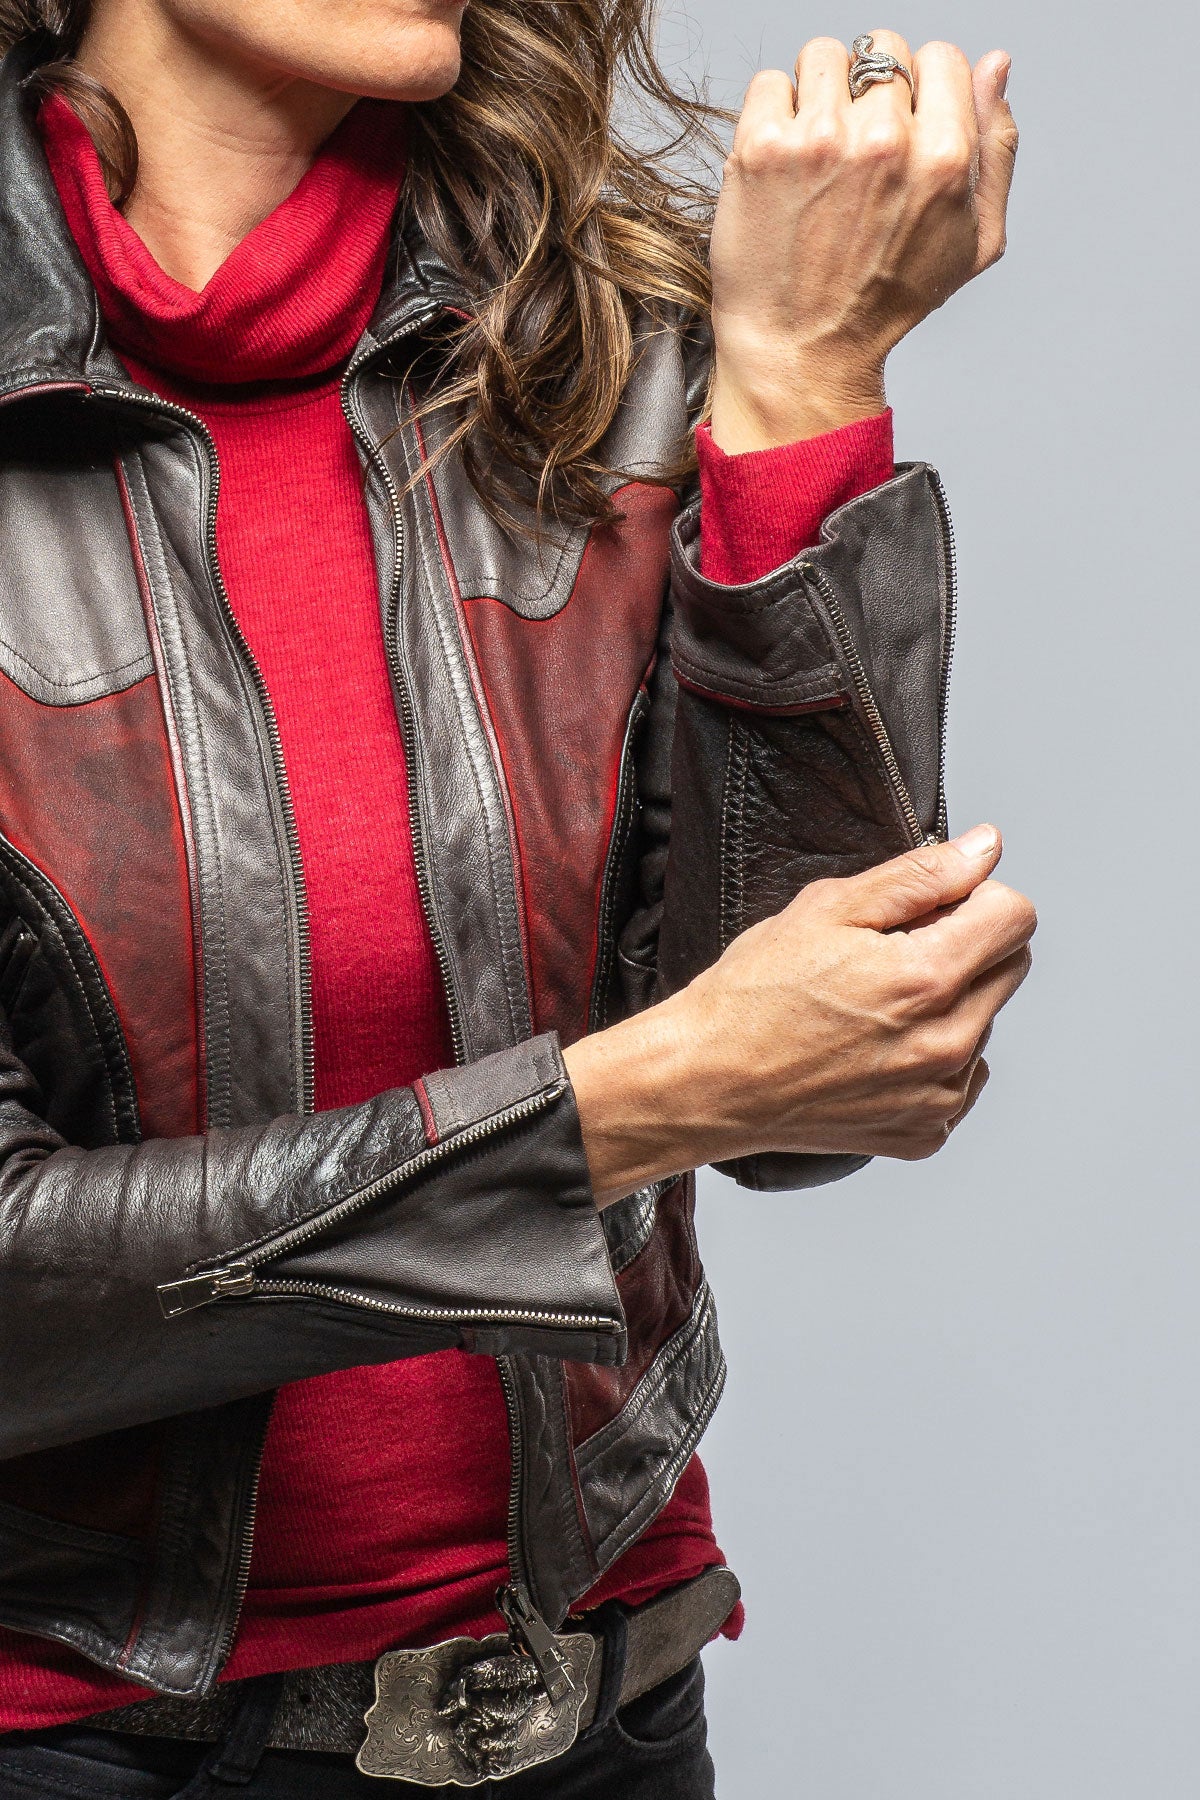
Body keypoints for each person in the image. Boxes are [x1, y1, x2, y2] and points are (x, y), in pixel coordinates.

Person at [0, 0, 1033, 1793]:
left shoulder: (596, 351)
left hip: (600, 1713)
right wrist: (617, 1113)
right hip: (87, 1746)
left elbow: (813, 1105)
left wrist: (804, 376)